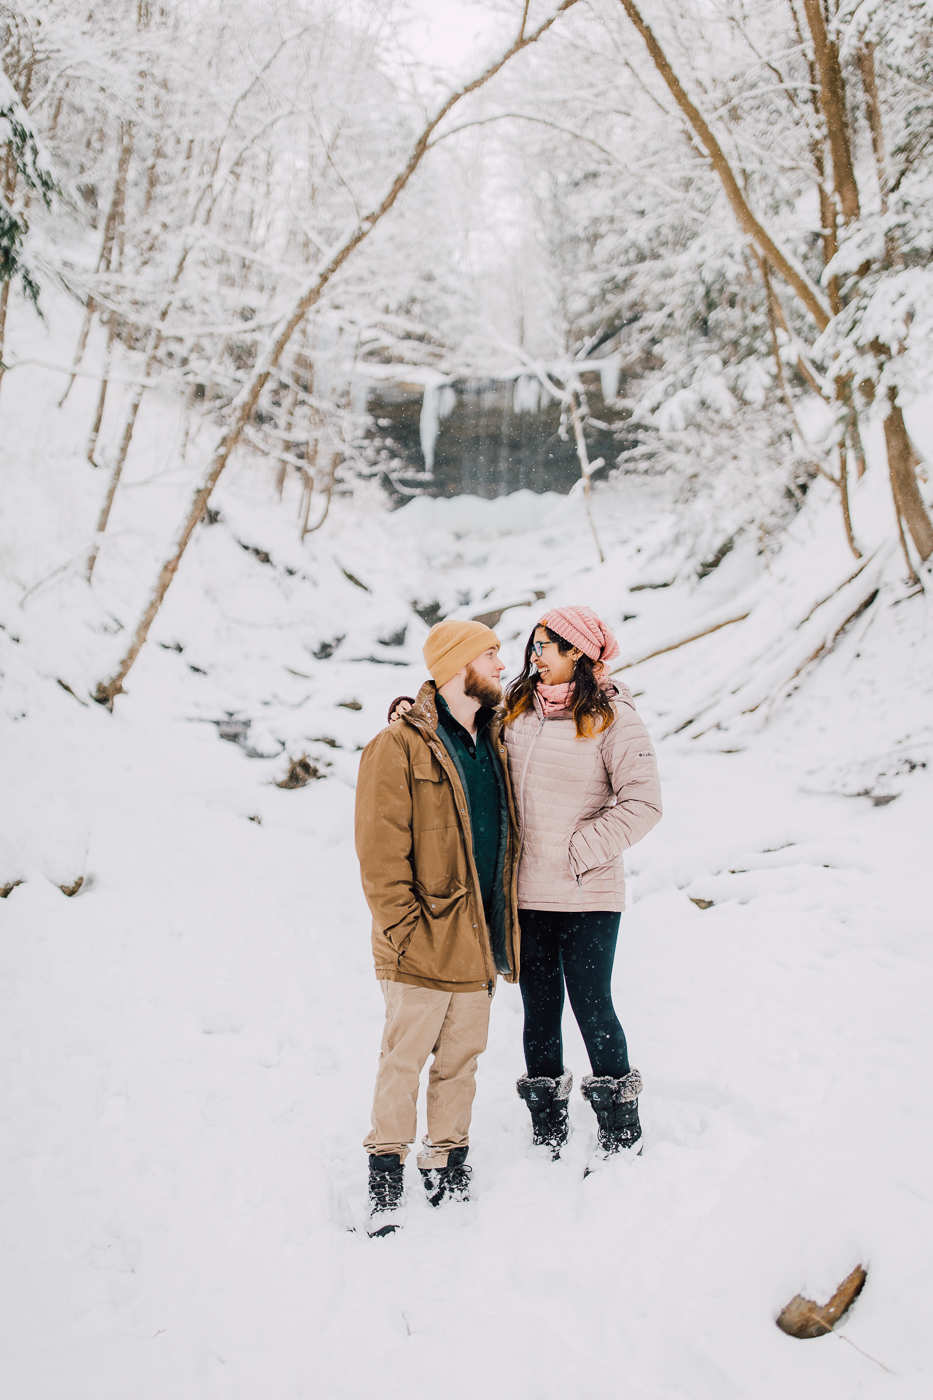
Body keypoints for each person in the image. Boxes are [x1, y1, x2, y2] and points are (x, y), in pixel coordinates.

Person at [355, 619, 519, 1235]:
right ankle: (386, 1169)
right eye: (492, 655)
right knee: (404, 1060)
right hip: (420, 939)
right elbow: (379, 857)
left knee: (461, 1060)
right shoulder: (396, 746)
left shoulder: (496, 739)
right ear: (457, 666)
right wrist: (407, 933)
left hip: (477, 938)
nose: (504, 665)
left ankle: (449, 1158)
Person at [500, 606, 662, 1167]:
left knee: (592, 1004)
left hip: (586, 894)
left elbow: (644, 803)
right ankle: (547, 1126)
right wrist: (408, 707)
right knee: (538, 1009)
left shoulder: (614, 717)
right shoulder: (515, 707)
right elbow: (455, 716)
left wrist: (577, 853)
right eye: (533, 645)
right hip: (525, 894)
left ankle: (621, 1129)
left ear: (577, 654)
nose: (533, 655)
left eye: (545, 645)